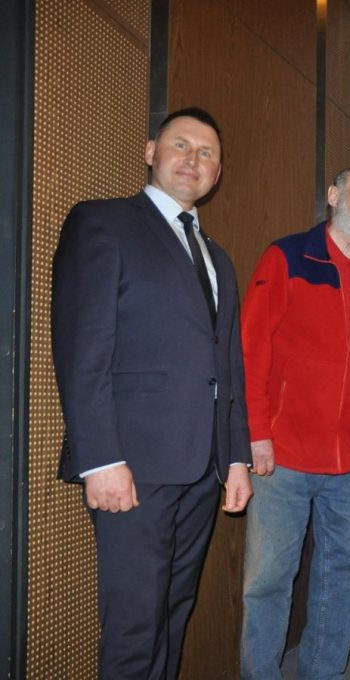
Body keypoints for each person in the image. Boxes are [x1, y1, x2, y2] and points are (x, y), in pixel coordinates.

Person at [51, 107, 253, 679]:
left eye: (207, 153)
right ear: (150, 152)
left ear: (217, 173)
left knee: (173, 614)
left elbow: (227, 367)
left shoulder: (218, 257)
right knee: (135, 627)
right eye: (181, 145)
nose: (194, 159)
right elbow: (82, 348)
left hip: (202, 469)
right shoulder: (102, 222)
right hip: (132, 467)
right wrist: (100, 459)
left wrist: (236, 457)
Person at [239, 166, 350, 679]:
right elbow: (251, 351)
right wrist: (256, 432)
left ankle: (322, 672)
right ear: (334, 196)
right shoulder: (286, 257)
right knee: (268, 580)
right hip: (282, 455)